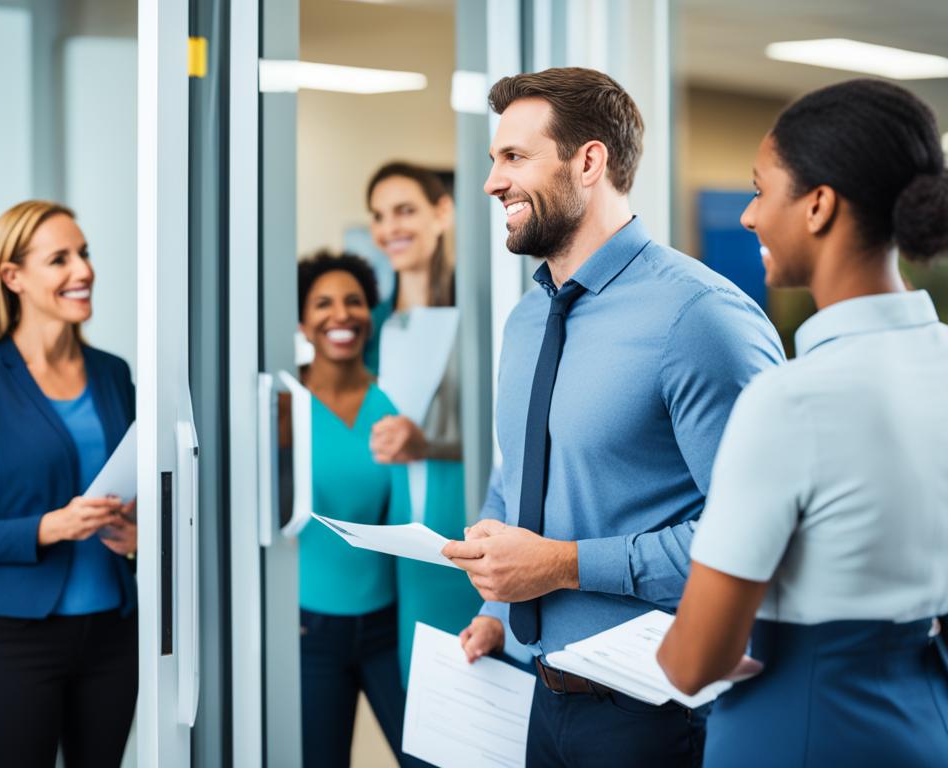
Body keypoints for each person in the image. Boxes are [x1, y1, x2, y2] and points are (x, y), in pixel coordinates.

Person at [440, 67, 785, 767]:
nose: (491, 183)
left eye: (514, 158)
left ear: (589, 161)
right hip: (542, 696)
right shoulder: (528, 317)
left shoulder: (699, 319)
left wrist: (564, 566)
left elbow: (759, 541)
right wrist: (498, 610)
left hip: (659, 712)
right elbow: (523, 471)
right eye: (493, 160)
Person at [657, 79, 948, 767]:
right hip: (923, 721)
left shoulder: (791, 399)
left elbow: (696, 661)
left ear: (818, 205)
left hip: (802, 730)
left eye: (761, 190)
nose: (752, 217)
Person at [0, 201, 138, 768]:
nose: (84, 271)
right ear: (13, 276)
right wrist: (53, 526)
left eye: (85, 254)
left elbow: (148, 493)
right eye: (60, 259)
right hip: (12, 644)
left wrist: (140, 537)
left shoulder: (115, 373)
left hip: (113, 637)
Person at [365, 162, 482, 680]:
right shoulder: (371, 328)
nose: (390, 228)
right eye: (379, 216)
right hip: (396, 543)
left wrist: (429, 444)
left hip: (468, 525)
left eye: (405, 210)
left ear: (443, 213)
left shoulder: (483, 318)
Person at [296, 251, 413, 768]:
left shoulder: (395, 397)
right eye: (322, 303)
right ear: (302, 321)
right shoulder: (281, 402)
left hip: (391, 624)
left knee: (426, 758)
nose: (340, 314)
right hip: (308, 634)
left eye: (354, 301)